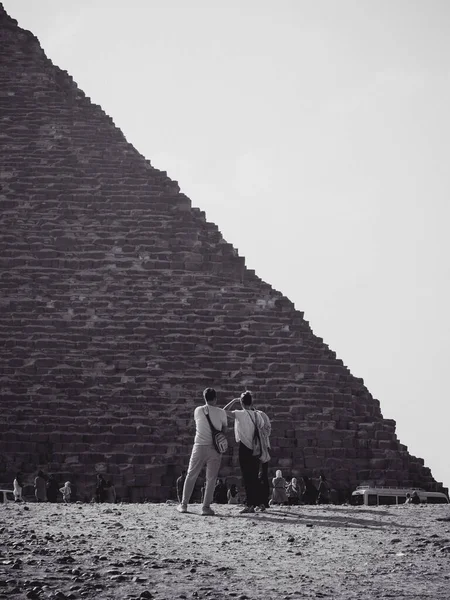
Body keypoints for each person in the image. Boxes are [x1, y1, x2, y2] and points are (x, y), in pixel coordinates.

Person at [178, 388, 227, 516]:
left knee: (191, 475)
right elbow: (223, 429)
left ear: (204, 398)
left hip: (199, 447)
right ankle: (205, 507)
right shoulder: (222, 412)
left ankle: (183, 505)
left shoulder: (198, 410)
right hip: (214, 449)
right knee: (211, 479)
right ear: (215, 398)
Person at [223, 391, 270, 514]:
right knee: (254, 477)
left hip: (245, 449)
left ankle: (250, 505)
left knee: (247, 478)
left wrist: (233, 401)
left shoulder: (239, 414)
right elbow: (262, 428)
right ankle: (260, 502)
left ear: (242, 402)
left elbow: (223, 411)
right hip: (256, 449)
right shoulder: (257, 415)